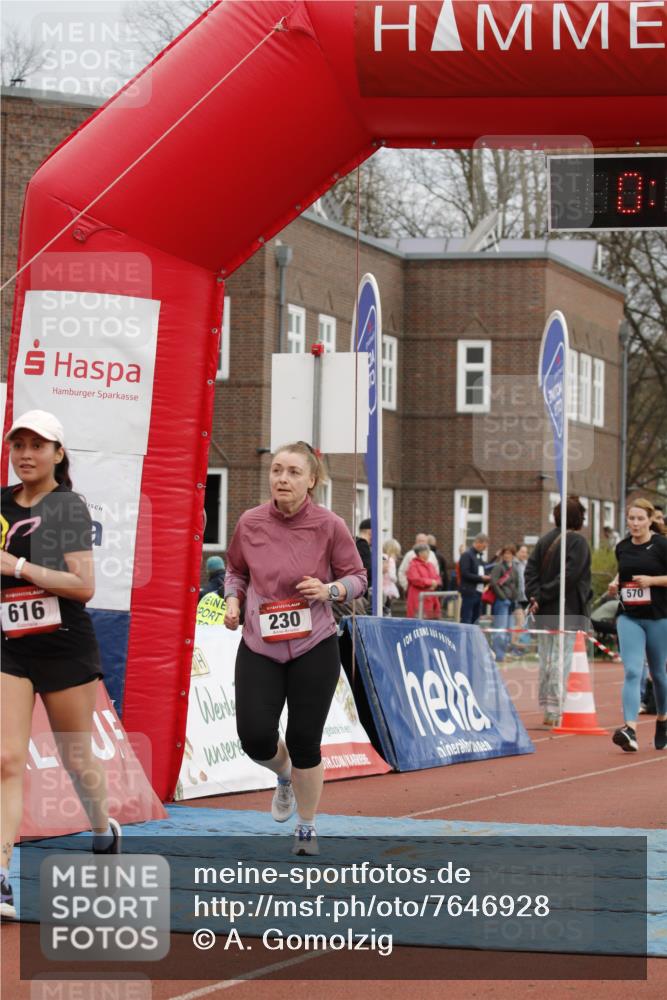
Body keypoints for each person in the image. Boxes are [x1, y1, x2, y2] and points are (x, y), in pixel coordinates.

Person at [1, 410, 121, 920]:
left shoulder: (66, 507)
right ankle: (2, 875)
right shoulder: (1, 504)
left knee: (77, 760)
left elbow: (84, 586)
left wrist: (19, 566)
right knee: (6, 760)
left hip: (64, 644)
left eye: (37, 445)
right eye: (18, 444)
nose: (26, 454)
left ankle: (102, 827)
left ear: (58, 453)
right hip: (10, 643)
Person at [223, 441, 366, 856]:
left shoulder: (329, 525)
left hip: (313, 645)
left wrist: (330, 589)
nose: (282, 479)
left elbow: (357, 577)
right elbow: (235, 570)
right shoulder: (250, 522)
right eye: (276, 470)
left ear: (312, 481)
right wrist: (233, 599)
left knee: (306, 740)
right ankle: (283, 775)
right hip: (259, 644)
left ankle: (306, 825)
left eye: (292, 472)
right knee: (254, 736)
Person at [524, 497, 592, 727]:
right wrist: (544, 593)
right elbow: (570, 576)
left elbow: (530, 570)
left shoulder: (544, 541)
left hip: (544, 610)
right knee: (560, 659)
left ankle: (547, 705)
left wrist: (535, 595)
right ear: (578, 518)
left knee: (546, 659)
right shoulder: (579, 543)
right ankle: (555, 708)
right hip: (567, 610)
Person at [609, 498, 667, 752]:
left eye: (640, 518)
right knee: (633, 671)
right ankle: (629, 729)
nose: (634, 523)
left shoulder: (662, 545)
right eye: (631, 518)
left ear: (650, 519)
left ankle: (663, 720)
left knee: (659, 674)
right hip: (629, 616)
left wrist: (652, 581)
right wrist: (615, 584)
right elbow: (625, 571)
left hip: (658, 616)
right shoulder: (622, 546)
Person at [489, 544, 520, 663]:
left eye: (510, 553)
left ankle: (503, 654)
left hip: (511, 602)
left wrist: (515, 598)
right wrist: (502, 597)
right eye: (505, 553)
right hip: (502, 602)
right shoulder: (498, 567)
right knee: (500, 630)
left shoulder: (515, 569)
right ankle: (499, 655)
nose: (507, 556)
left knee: (508, 630)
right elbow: (494, 583)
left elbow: (516, 585)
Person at [458, 533, 490, 624]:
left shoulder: (479, 556)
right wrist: (481, 578)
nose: (485, 548)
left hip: (479, 592)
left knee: (476, 620)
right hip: (469, 591)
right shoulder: (467, 555)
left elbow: (483, 569)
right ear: (478, 542)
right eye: (484, 546)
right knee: (466, 618)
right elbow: (465, 573)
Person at [406, 543, 441, 618]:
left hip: (431, 597)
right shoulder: (413, 565)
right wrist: (431, 582)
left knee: (430, 621)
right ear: (420, 553)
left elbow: (437, 577)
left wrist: (435, 583)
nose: (429, 553)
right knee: (418, 621)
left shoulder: (430, 565)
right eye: (427, 551)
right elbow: (415, 579)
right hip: (418, 597)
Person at [355, 518, 373, 604]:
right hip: (361, 592)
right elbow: (368, 570)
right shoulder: (362, 544)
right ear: (370, 532)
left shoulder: (353, 541)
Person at [381, 537, 401, 614]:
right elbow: (392, 576)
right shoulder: (391, 560)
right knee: (388, 607)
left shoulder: (382, 557)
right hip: (388, 587)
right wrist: (395, 579)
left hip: (381, 586)